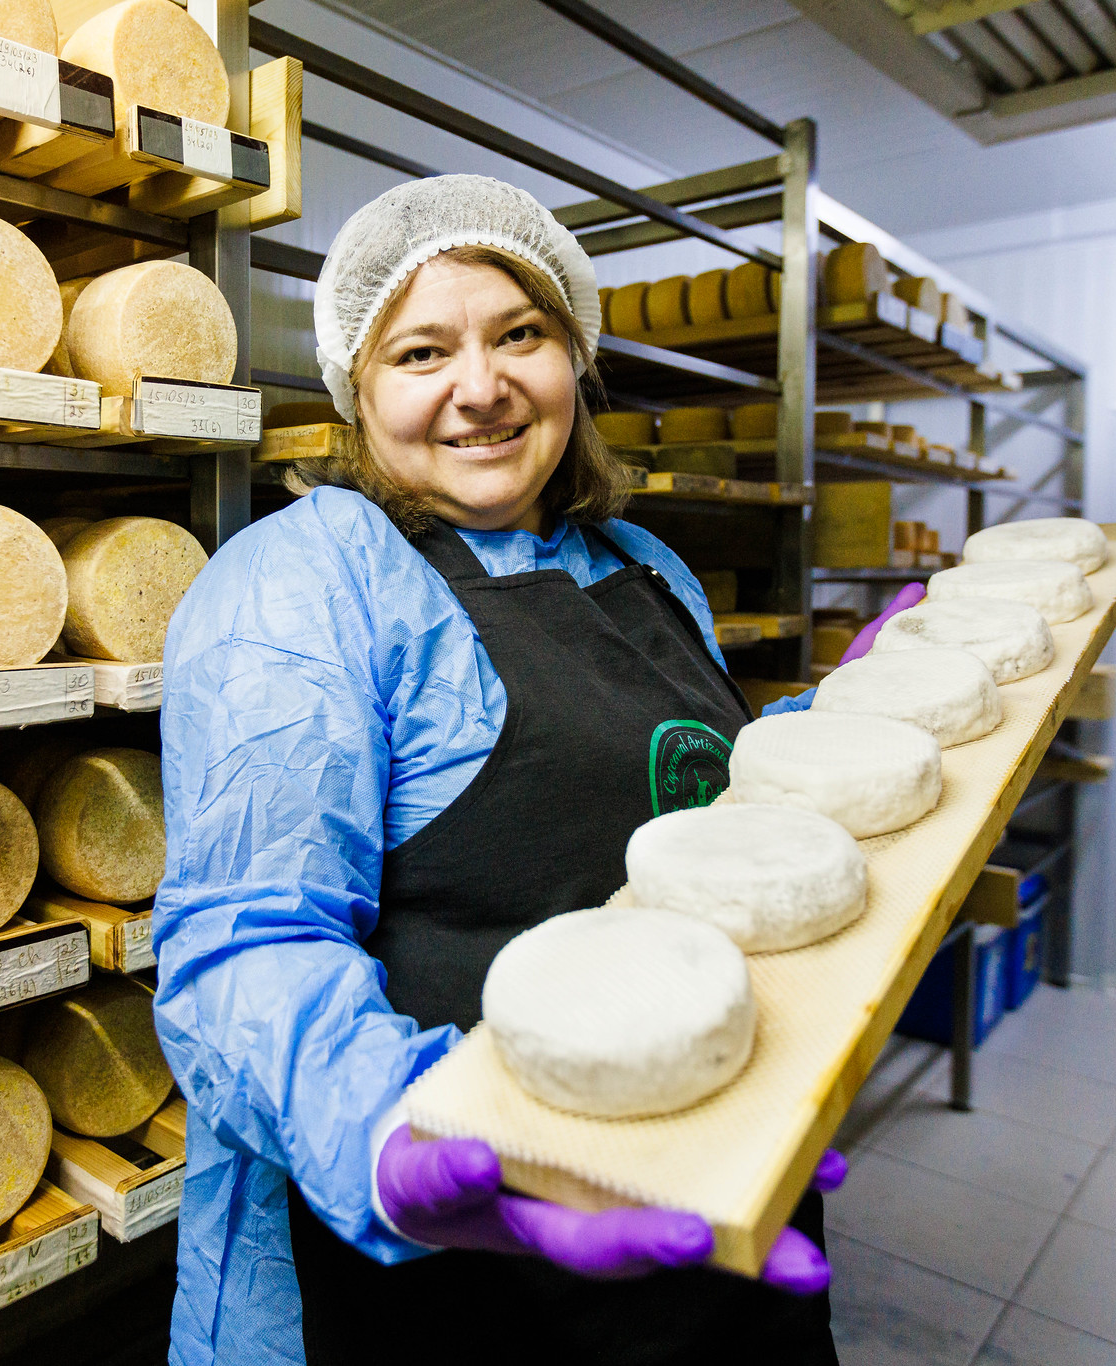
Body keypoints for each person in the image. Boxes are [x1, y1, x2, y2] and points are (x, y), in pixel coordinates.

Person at [152, 175, 914, 1365]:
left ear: (576, 357)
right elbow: (245, 938)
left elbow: (690, 799)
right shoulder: (297, 585)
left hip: (706, 1179)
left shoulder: (643, 560)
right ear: (358, 388)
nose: (480, 386)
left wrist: (845, 717)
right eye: (420, 351)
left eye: (520, 333)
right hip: (462, 1249)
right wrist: (410, 1143)